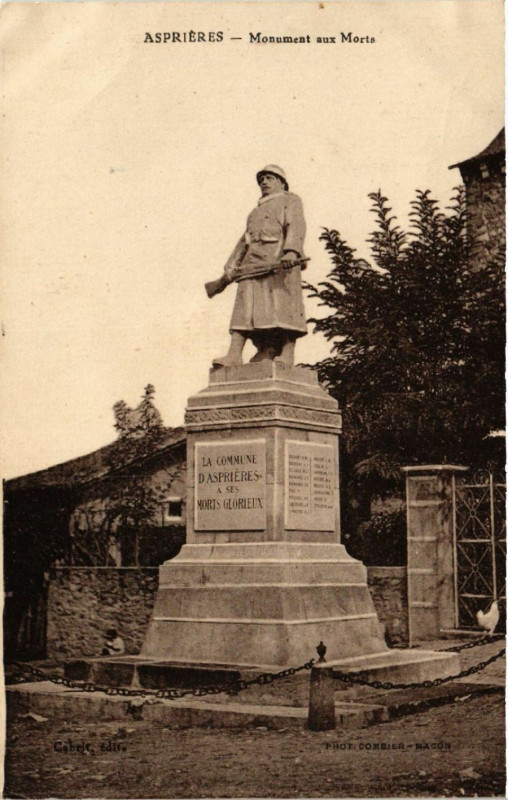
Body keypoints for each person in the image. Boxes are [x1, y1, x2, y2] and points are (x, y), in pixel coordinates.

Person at [212, 165, 307, 367]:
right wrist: (231, 266)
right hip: (252, 264)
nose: (264, 182)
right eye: (261, 179)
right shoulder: (254, 212)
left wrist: (291, 251)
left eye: (270, 178)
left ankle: (286, 352)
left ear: (282, 182)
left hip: (279, 264)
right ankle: (235, 353)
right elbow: (244, 240)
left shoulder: (290, 200)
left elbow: (296, 225)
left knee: (282, 308)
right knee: (245, 310)